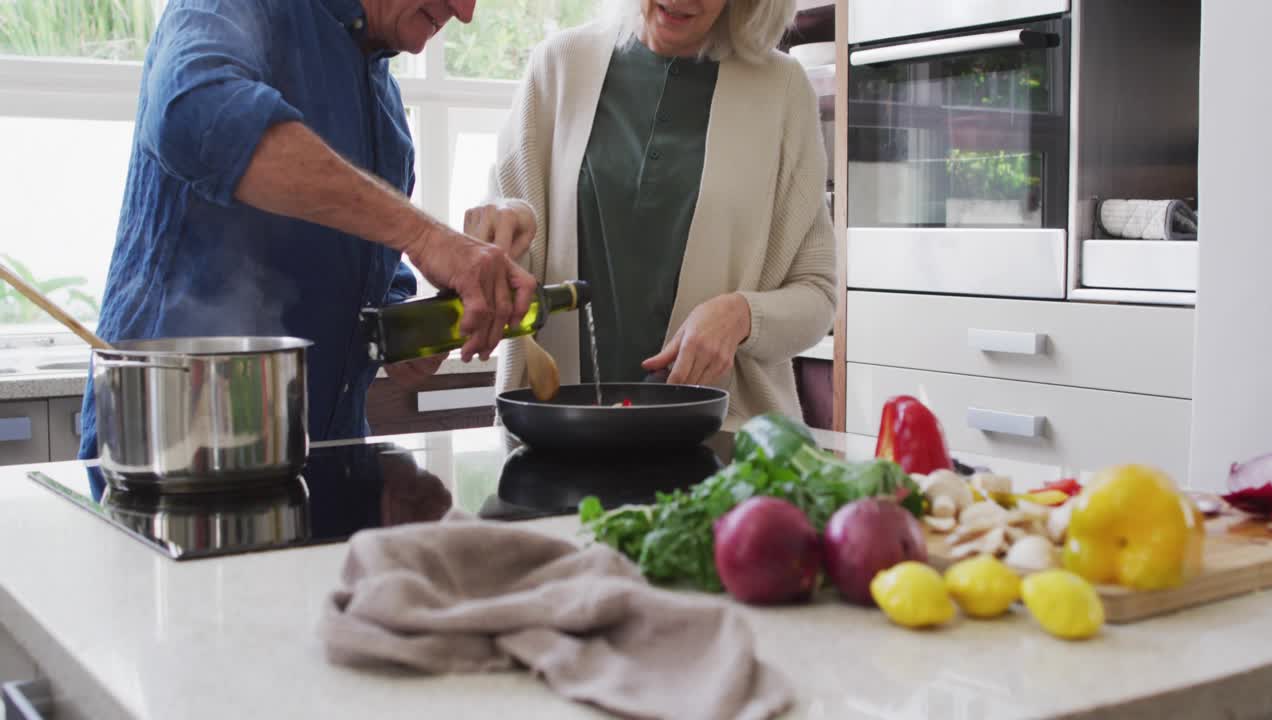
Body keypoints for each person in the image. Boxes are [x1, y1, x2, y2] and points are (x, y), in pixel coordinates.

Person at [77, 0, 539, 458]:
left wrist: (416, 334)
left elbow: (369, 283)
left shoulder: (386, 111)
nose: (464, 12)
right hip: (175, 452)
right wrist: (427, 237)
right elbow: (195, 112)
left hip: (321, 463)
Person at [468, 0, 837, 426]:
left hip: (720, 439)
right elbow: (509, 255)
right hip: (559, 431)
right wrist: (498, 229)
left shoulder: (782, 86)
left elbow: (818, 292)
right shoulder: (559, 65)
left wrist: (742, 316)